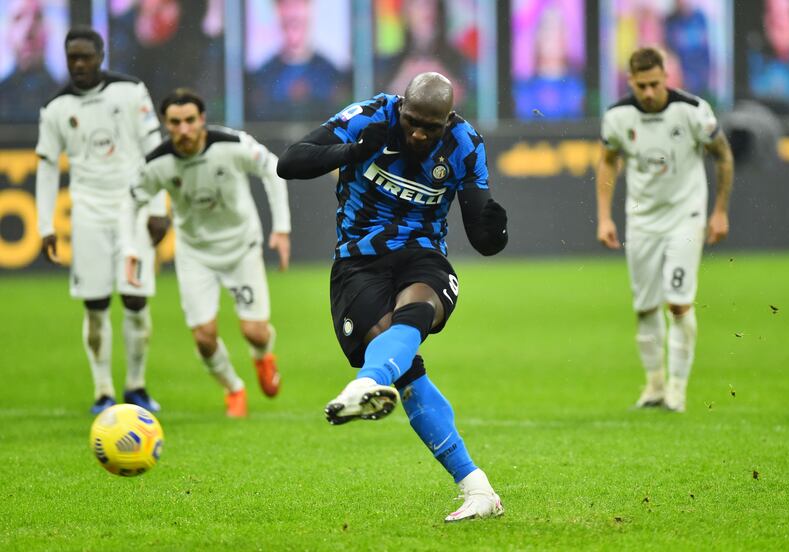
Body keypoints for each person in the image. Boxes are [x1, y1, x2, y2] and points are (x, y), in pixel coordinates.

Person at [277, 72, 507, 521]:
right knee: (406, 374)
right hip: (358, 261)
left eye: (431, 127)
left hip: (422, 254)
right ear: (401, 106)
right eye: (412, 121)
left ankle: (366, 382)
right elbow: (291, 161)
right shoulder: (369, 117)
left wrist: (492, 229)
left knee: (419, 310)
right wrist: (353, 151)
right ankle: (478, 489)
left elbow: (482, 230)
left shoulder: (465, 144)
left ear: (449, 120)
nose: (419, 133)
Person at [123, 88, 291, 418]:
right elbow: (130, 200)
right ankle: (234, 388)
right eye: (175, 122)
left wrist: (281, 228)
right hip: (195, 254)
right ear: (165, 124)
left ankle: (263, 356)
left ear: (201, 120)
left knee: (254, 332)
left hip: (241, 247)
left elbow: (272, 167)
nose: (183, 129)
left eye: (189, 121)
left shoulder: (231, 144)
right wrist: (130, 247)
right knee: (204, 338)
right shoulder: (158, 163)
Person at [35, 26, 168, 414]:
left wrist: (158, 208)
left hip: (133, 208)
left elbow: (154, 149)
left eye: (85, 57)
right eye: (72, 57)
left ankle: (137, 385)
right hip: (88, 212)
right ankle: (103, 390)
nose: (78, 64)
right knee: (94, 305)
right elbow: (46, 168)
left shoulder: (130, 92)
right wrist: (45, 226)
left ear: (100, 56)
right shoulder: (56, 108)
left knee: (135, 298)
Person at [595, 47, 734, 413]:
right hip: (641, 218)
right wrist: (605, 217)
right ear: (631, 82)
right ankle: (654, 385)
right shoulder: (617, 116)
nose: (649, 92)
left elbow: (723, 155)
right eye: (641, 85)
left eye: (655, 84)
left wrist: (719, 211)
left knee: (678, 302)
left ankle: (677, 388)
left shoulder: (692, 110)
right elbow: (608, 161)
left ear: (666, 78)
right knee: (644, 307)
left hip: (684, 216)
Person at [245, 0, 347, 121]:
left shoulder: (332, 74)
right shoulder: (261, 77)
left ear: (310, 10)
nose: (293, 12)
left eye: (298, 4)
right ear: (277, 12)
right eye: (287, 4)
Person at [0, 0, 59, 123]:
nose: (28, 29)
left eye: (37, 17)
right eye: (18, 18)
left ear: (48, 31)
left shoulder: (66, 95)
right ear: (7, 34)